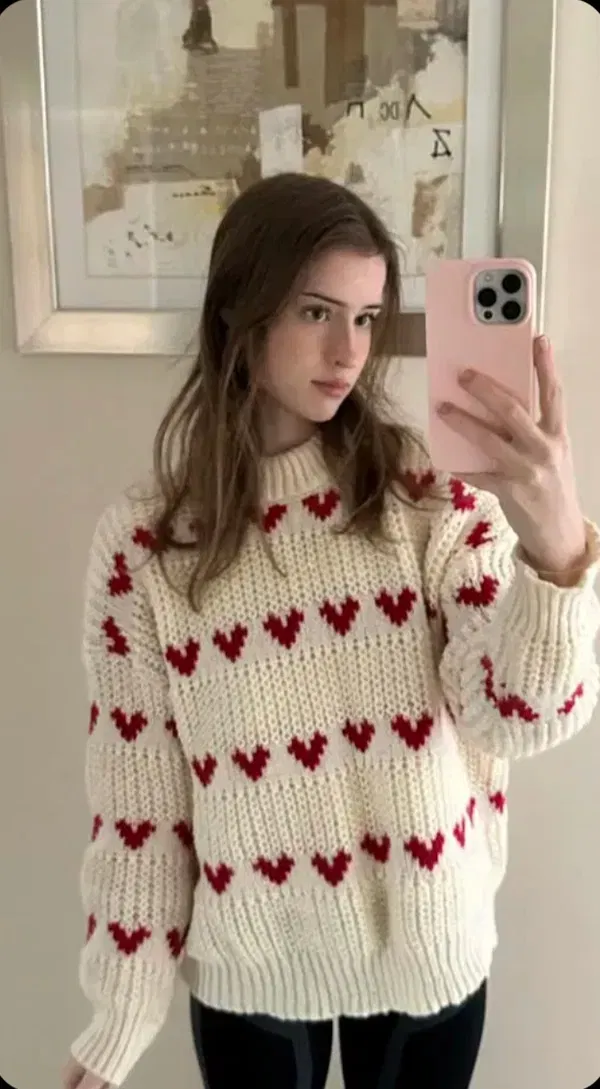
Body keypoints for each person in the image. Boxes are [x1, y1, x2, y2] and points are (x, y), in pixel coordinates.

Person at [63, 172, 600, 1089]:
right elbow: (140, 813)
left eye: (366, 317)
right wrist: (117, 1021)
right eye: (316, 311)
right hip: (253, 971)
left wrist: (554, 551)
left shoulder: (429, 498)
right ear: (240, 311)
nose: (348, 350)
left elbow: (516, 718)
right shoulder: (146, 548)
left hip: (427, 954)